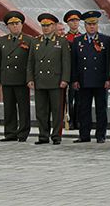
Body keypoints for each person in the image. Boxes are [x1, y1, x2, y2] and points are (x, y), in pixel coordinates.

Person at [27, 13, 70, 145]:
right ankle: (43, 135)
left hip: (56, 81)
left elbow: (66, 63)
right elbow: (31, 63)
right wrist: (30, 79)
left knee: (57, 111)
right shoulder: (36, 41)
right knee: (41, 110)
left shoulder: (61, 41)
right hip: (40, 80)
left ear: (54, 26)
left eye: (48, 25)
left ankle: (56, 135)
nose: (45, 28)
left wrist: (65, 79)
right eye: (43, 25)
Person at [71, 11, 110, 143]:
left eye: (94, 24)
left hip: (100, 81)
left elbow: (108, 61)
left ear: (97, 25)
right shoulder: (78, 41)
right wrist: (75, 79)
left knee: (101, 109)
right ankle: (84, 135)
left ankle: (101, 135)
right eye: (89, 24)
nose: (92, 27)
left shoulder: (105, 40)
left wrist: (108, 78)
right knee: (83, 109)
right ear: (85, 25)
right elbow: (74, 62)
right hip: (84, 80)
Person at [0, 11, 33, 142]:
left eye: (17, 23)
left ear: (22, 25)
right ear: (7, 26)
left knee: (23, 108)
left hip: (21, 79)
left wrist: (29, 78)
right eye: (12, 24)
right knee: (9, 108)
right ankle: (10, 133)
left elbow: (31, 62)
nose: (15, 26)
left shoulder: (29, 40)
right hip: (7, 78)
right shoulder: (2, 40)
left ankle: (23, 133)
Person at [63, 10, 82, 130]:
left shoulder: (83, 37)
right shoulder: (64, 39)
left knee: (80, 99)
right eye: (72, 21)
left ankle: (79, 120)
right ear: (68, 23)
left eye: (76, 21)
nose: (74, 23)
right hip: (68, 73)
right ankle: (69, 120)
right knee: (69, 99)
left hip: (80, 74)